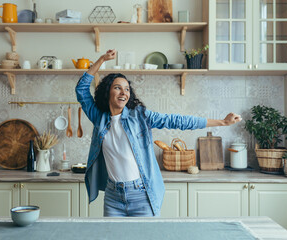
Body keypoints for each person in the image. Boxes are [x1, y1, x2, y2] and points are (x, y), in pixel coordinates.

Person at [75, 49, 242, 217]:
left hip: (141, 195)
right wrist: (102, 59)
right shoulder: (99, 118)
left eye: (126, 89)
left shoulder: (140, 116)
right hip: (113, 197)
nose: (123, 92)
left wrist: (222, 122)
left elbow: (177, 121)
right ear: (107, 92)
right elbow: (81, 90)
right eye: (117, 88)